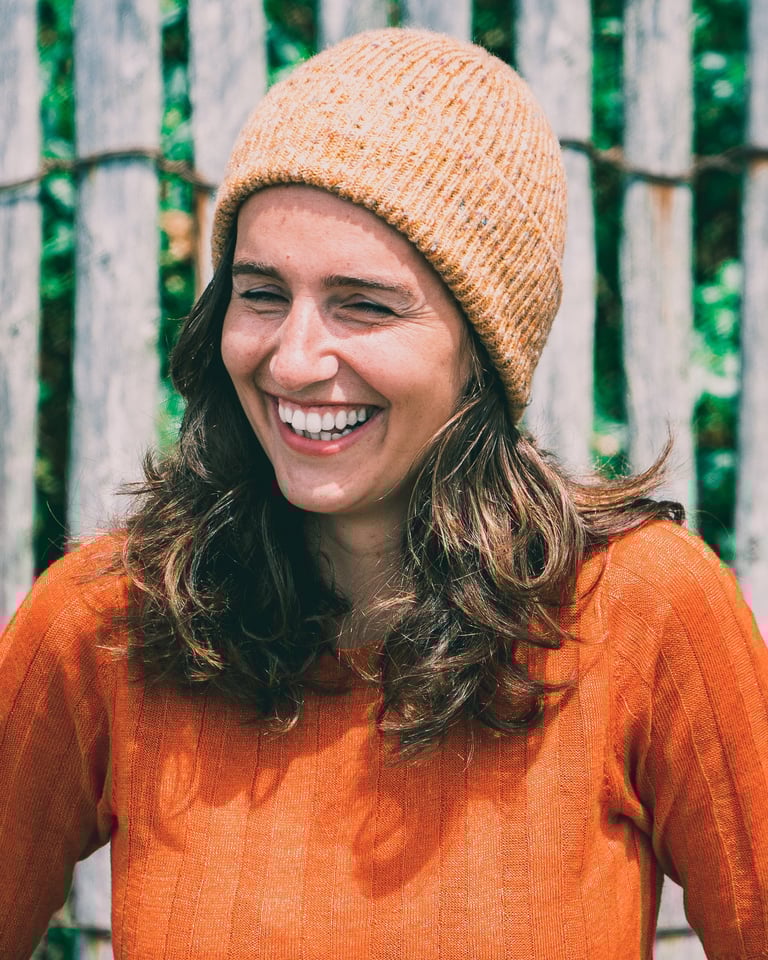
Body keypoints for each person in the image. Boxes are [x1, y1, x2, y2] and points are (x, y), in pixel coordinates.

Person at [2, 27, 767, 960]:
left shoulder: (643, 614)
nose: (294, 359)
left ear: (484, 349)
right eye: (261, 293)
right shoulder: (107, 623)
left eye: (364, 304)